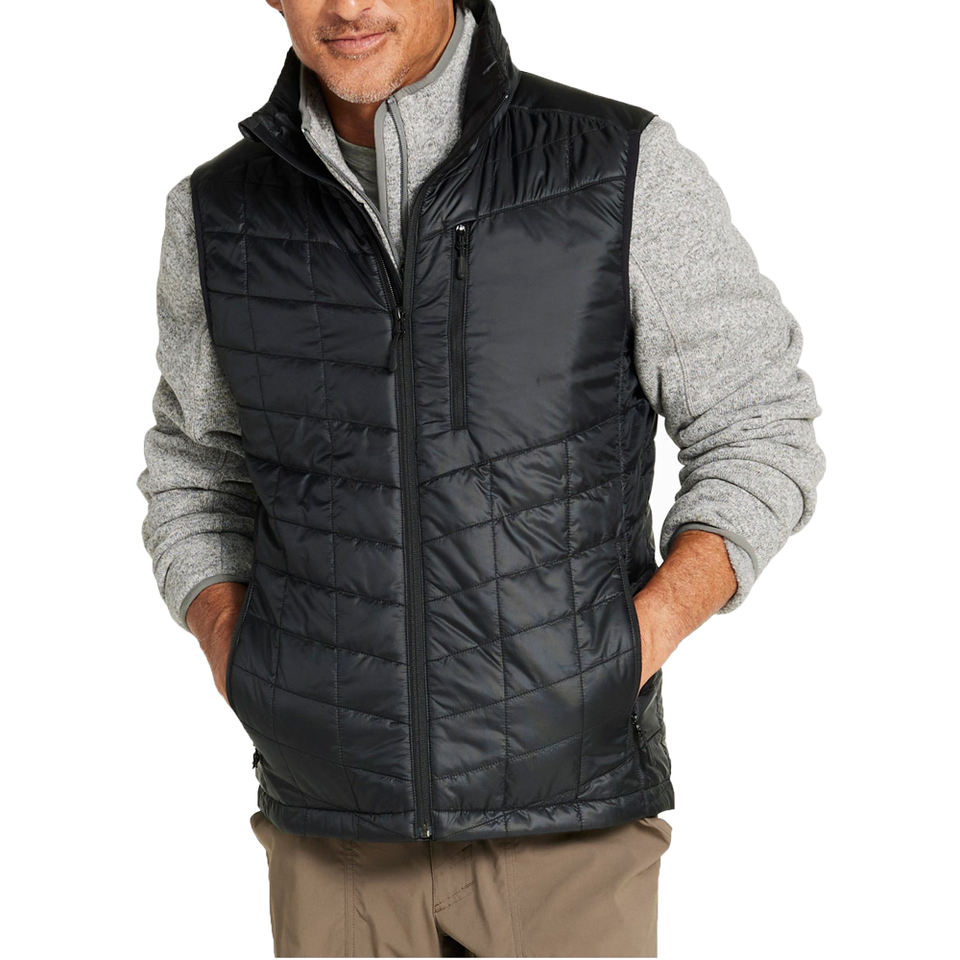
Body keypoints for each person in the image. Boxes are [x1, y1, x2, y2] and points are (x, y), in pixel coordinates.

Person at [137, 0, 826, 955]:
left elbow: (759, 420)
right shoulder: (220, 212)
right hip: (332, 838)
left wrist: (627, 648)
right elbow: (196, 468)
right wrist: (239, 653)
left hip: (569, 831)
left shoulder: (615, 166)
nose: (349, 5)